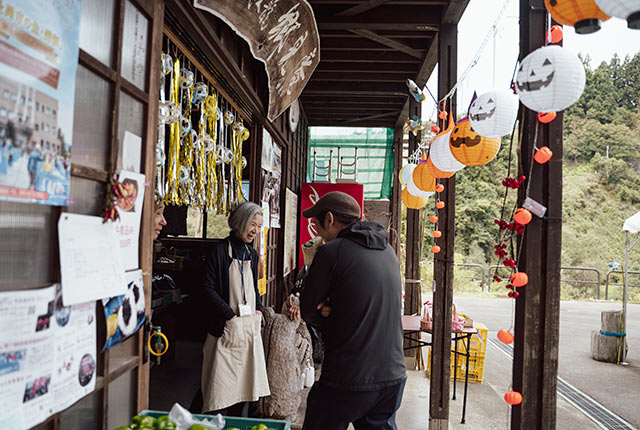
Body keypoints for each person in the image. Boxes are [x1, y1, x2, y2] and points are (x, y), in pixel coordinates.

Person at [300, 191, 406, 430]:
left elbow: (308, 309)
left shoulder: (331, 252)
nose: (316, 231)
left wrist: (331, 312)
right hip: (393, 376)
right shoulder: (388, 251)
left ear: (329, 219)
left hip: (349, 376)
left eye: (316, 224)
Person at [199, 201, 270, 417]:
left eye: (258, 227)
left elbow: (256, 290)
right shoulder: (219, 251)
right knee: (217, 389)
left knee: (245, 388)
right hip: (226, 330)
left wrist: (258, 309)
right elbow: (206, 287)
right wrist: (229, 315)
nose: (255, 231)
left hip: (248, 330)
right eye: (252, 225)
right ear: (239, 222)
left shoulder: (253, 254)